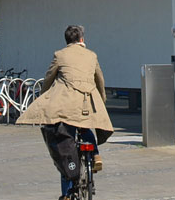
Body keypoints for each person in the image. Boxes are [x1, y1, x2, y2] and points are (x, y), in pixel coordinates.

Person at [17, 24, 113, 199]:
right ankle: (96, 155)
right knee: (85, 128)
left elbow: (48, 79)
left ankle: (67, 194)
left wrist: (44, 97)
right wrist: (101, 101)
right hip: (87, 105)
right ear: (82, 39)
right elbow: (100, 80)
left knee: (65, 147)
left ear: (67, 40)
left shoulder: (60, 55)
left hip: (64, 106)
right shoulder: (92, 56)